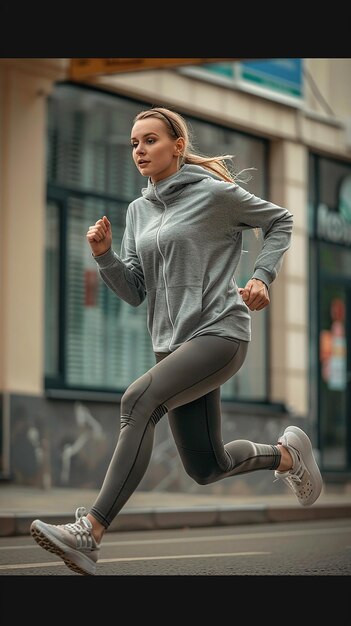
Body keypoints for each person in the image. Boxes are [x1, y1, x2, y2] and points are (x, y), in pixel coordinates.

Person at [30, 106, 323, 575]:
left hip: (220, 333)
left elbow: (280, 220)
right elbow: (134, 291)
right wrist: (104, 256)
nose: (139, 150)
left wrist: (263, 277)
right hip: (173, 344)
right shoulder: (137, 210)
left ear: (177, 146)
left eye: (149, 140)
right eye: (133, 144)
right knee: (208, 466)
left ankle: (91, 530)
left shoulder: (215, 195)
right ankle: (288, 455)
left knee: (138, 400)